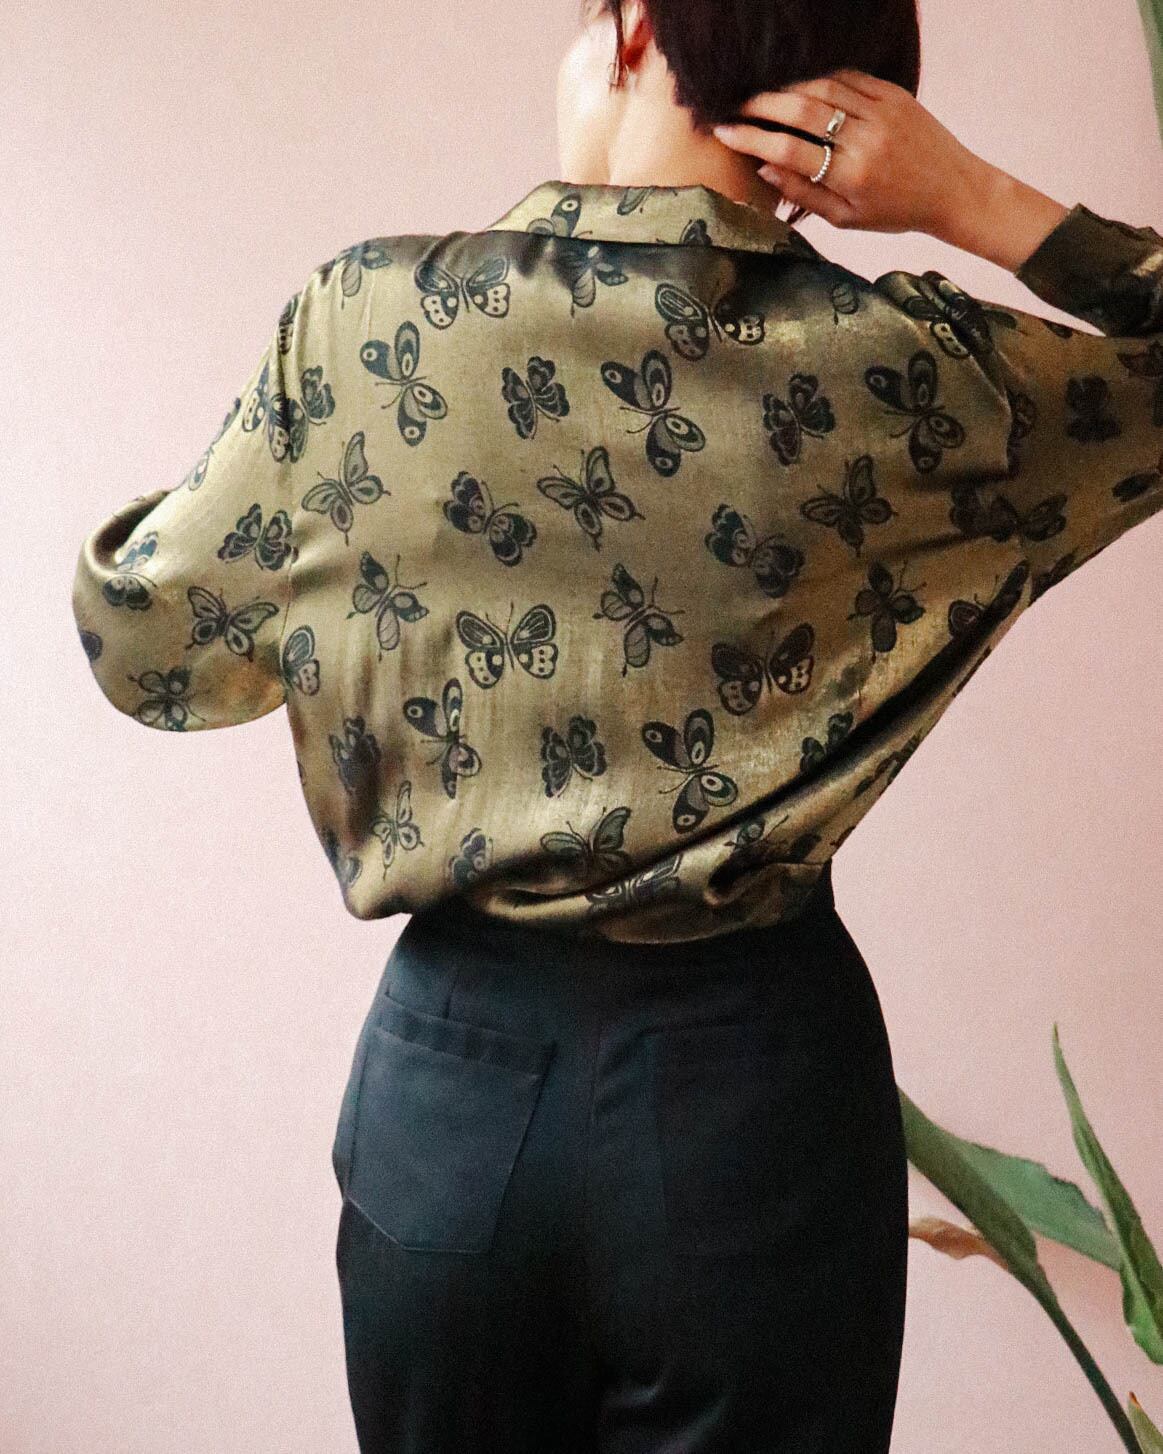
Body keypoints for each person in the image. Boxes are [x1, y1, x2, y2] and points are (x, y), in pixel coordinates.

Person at [70, 0, 1162, 1448]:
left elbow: (145, 644)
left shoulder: (368, 327)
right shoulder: (910, 372)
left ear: (636, 29)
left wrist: (341, 503)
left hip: (457, 1093)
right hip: (756, 1097)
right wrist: (965, 195)